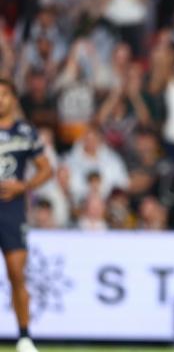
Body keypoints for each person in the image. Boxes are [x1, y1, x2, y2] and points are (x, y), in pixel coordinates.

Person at [0, 78, 53, 352]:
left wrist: (24, 186)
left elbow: (46, 168)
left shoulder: (24, 132)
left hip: (11, 210)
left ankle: (24, 336)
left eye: (4, 94)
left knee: (16, 274)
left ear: (13, 99)